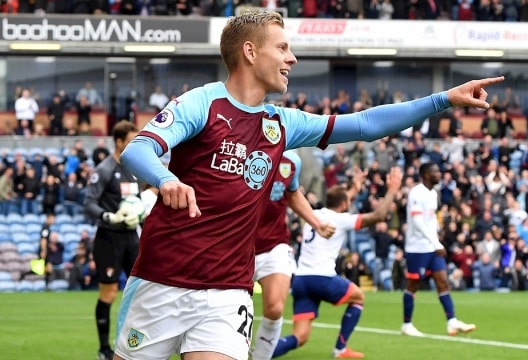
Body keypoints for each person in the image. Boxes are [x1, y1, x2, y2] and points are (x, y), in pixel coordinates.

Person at [115, 11, 503, 360]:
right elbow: (138, 150)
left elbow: (365, 125)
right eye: (282, 47)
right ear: (250, 52)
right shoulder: (203, 103)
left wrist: (442, 100)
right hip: (162, 279)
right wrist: (166, 179)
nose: (292, 58)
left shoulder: (281, 124)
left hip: (227, 289)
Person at [273, 167, 403, 359]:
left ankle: (261, 353)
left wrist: (354, 189)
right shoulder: (341, 219)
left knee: (300, 337)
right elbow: (378, 216)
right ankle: (340, 348)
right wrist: (392, 189)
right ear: (344, 204)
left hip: (301, 280)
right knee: (358, 297)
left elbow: (341, 199)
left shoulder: (313, 216)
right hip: (322, 278)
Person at [252, 149, 335, 360]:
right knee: (229, 307)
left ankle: (259, 357)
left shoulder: (292, 160)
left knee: (275, 307)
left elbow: (292, 193)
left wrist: (316, 223)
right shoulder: (245, 147)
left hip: (274, 243)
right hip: (236, 245)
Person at [83, 120, 143, 360]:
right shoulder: (105, 169)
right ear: (119, 142)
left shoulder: (135, 169)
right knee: (108, 294)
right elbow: (88, 204)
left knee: (141, 291)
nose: (135, 145)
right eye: (131, 141)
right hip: (108, 238)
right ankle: (104, 349)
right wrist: (108, 215)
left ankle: (134, 346)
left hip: (132, 238)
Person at [401, 162, 476, 337]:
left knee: (442, 280)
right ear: (425, 174)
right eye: (435, 171)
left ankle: (452, 321)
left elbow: (431, 219)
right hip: (417, 247)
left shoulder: (434, 193)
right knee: (413, 285)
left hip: (431, 245)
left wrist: (436, 238)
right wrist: (435, 243)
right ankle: (406, 324)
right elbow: (418, 223)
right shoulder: (416, 193)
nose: (439, 173)